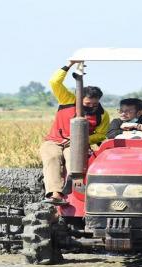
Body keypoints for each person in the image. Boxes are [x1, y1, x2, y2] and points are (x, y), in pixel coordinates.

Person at [40, 61, 109, 205]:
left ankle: (73, 186)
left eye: (95, 104)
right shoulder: (67, 100)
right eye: (87, 104)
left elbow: (101, 134)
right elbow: (54, 81)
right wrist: (68, 65)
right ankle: (55, 193)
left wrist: (81, 139)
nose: (91, 107)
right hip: (54, 140)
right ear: (79, 98)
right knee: (52, 157)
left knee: (74, 159)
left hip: (77, 144)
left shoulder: (102, 114)